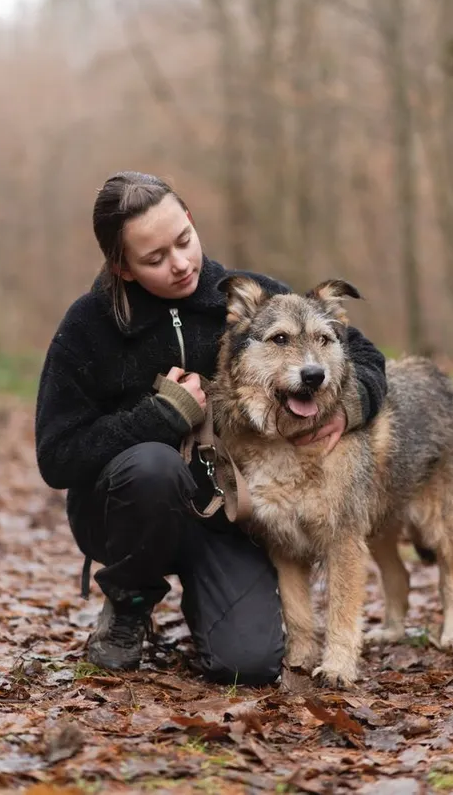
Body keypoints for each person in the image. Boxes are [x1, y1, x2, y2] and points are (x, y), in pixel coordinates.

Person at [35, 171, 387, 686]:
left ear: (192, 221)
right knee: (152, 467)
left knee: (248, 664)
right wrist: (156, 420)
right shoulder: (88, 327)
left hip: (229, 520)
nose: (180, 264)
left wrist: (345, 408)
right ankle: (130, 604)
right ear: (121, 267)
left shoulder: (254, 298)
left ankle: (214, 603)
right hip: (125, 514)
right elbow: (57, 456)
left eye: (184, 240)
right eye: (154, 259)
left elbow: (366, 360)